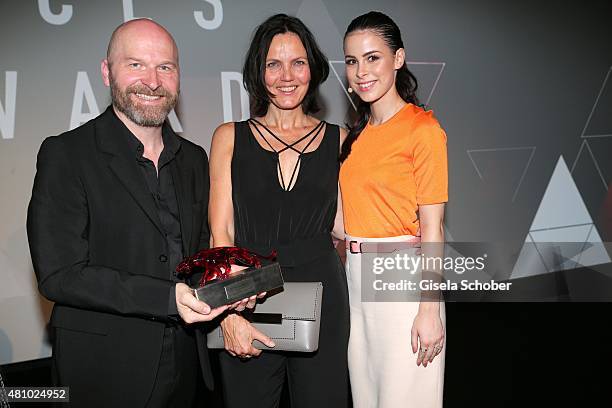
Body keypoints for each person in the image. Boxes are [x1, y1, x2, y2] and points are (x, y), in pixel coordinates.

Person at [26, 18, 254, 407]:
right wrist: (168, 299)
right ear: (106, 71)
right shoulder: (67, 155)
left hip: (187, 368)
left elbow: (195, 254)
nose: (152, 81)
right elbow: (59, 274)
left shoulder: (194, 159)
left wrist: (227, 281)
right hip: (103, 371)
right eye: (136, 65)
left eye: (165, 67)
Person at [208, 13, 350, 408]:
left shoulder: (340, 140)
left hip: (325, 300)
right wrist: (227, 316)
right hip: (248, 300)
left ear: (313, 69)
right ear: (259, 71)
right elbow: (221, 235)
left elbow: (347, 226)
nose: (287, 75)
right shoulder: (228, 138)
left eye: (297, 62)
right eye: (274, 63)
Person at [339, 11, 448, 408]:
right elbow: (344, 221)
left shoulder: (423, 130)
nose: (360, 72)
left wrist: (429, 311)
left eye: (373, 58)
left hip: (402, 280)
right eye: (352, 61)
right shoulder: (354, 138)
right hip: (355, 281)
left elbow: (434, 229)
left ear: (398, 59)